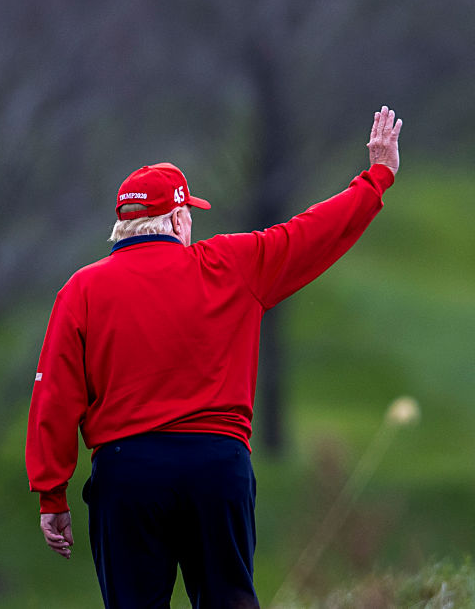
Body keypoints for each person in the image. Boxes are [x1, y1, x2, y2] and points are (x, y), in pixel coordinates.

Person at [25, 107, 402, 608]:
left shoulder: (81, 290)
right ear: (179, 217)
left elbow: (54, 394)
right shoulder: (231, 264)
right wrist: (377, 177)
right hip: (215, 467)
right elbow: (312, 233)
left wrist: (53, 493)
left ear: (124, 224)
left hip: (128, 472)